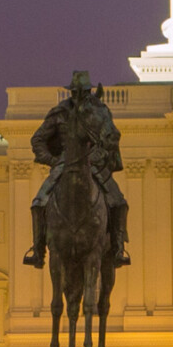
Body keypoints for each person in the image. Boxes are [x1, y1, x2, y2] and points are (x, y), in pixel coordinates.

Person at [23, 71, 130, 269]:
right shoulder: (60, 113)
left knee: (119, 201)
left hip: (94, 164)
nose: (81, 96)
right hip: (63, 165)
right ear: (72, 93)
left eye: (85, 91)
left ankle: (118, 249)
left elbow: (110, 139)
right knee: (38, 202)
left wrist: (99, 156)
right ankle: (38, 250)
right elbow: (38, 140)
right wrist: (53, 160)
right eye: (78, 92)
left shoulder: (98, 112)